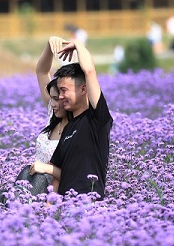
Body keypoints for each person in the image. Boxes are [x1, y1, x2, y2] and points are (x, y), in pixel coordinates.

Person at [29, 36, 114, 200]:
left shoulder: (96, 120)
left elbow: (89, 72)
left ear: (83, 89)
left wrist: (78, 45)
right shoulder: (68, 128)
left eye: (63, 91)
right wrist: (49, 207)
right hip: (65, 205)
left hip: (88, 205)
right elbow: (58, 174)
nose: (59, 97)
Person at [15, 37, 71, 196]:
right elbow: (41, 71)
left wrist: (47, 169)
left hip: (57, 195)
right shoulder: (53, 114)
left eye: (57, 99)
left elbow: (76, 175)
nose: (53, 104)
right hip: (34, 184)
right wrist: (49, 44)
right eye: (51, 98)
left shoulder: (77, 128)